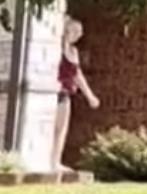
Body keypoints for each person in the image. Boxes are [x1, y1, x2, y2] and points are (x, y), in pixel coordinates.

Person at [54, 15, 101, 172]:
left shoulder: (74, 52)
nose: (79, 35)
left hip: (65, 93)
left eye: (80, 32)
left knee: (61, 128)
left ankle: (55, 161)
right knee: (50, 127)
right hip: (54, 91)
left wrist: (90, 96)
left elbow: (77, 75)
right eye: (76, 31)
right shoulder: (56, 47)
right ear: (67, 30)